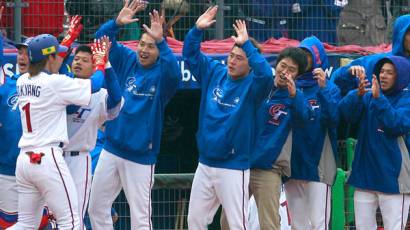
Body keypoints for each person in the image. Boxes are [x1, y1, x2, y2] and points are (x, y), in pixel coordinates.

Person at [87, 1, 181, 229]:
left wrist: (161, 40)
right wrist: (116, 23)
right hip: (112, 148)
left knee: (140, 218)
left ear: (159, 52)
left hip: (140, 157)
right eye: (141, 44)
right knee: (96, 207)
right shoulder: (128, 60)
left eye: (151, 46)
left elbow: (175, 74)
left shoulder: (163, 75)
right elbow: (100, 42)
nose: (144, 50)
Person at [183, 6, 273, 229]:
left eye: (239, 58)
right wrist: (196, 30)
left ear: (249, 63)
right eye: (231, 56)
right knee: (194, 220)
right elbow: (190, 56)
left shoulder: (254, 86)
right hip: (205, 162)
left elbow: (266, 75)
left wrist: (248, 46)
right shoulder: (215, 72)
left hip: (233, 166)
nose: (232, 61)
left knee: (237, 224)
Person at [6, 34, 108, 230]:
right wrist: (101, 62)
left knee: (26, 224)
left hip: (26, 160)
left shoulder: (22, 80)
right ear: (48, 58)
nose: (60, 59)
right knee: (71, 222)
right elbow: (94, 85)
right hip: (46, 157)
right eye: (56, 55)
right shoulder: (54, 83)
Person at [220, 47, 309, 230]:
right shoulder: (260, 85)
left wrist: (294, 96)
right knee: (228, 221)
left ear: (297, 75)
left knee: (269, 224)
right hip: (241, 164)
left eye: (291, 70)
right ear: (276, 65)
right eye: (283, 66)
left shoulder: (294, 98)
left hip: (268, 169)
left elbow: (305, 119)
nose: (285, 72)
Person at [338, 56, 410, 230]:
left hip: (393, 179)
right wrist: (357, 95)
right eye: (382, 71)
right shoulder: (369, 95)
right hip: (365, 177)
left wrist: (379, 99)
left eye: (390, 73)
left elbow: (397, 125)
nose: (384, 75)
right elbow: (345, 115)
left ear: (400, 76)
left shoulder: (406, 99)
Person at [62, 38, 123, 229]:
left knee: (75, 214)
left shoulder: (100, 94)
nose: (78, 62)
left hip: (79, 159)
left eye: (85, 60)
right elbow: (57, 66)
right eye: (76, 59)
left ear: (94, 66)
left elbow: (116, 99)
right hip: (53, 156)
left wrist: (106, 63)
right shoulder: (62, 83)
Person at [284, 36, 341, 230]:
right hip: (293, 165)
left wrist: (324, 89)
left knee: (319, 223)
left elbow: (334, 119)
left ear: (318, 58)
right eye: (302, 54)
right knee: (298, 225)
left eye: (309, 55)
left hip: (319, 165)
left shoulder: (329, 87)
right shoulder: (291, 85)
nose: (305, 59)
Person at [0, 6, 48, 228]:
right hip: (7, 168)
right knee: (9, 223)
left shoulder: (48, 85)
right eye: (19, 52)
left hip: (38, 166)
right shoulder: (7, 86)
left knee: (40, 222)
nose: (22, 57)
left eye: (27, 53)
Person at [331, 14, 410, 96]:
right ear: (400, 35)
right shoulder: (377, 61)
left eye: (389, 72)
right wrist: (348, 73)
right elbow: (337, 82)